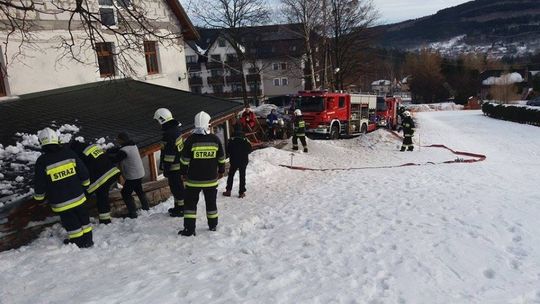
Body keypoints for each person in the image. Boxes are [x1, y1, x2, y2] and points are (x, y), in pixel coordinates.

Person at [33, 127, 94, 248]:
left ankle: (78, 243)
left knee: (71, 222)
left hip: (61, 202)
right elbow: (83, 172)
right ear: (57, 140)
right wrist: (86, 185)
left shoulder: (42, 161)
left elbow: (39, 183)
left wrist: (39, 198)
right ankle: (88, 240)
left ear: (42, 143)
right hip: (79, 196)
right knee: (84, 219)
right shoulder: (69, 153)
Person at [178, 111, 226, 236]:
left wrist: (183, 173)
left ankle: (189, 229)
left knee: (190, 205)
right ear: (208, 124)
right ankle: (213, 225)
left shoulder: (190, 140)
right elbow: (221, 158)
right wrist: (221, 171)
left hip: (193, 181)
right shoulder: (215, 139)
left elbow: (184, 161)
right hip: (211, 180)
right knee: (211, 203)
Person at [71, 140, 121, 224]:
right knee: (102, 196)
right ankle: (105, 220)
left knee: (82, 197)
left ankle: (79, 220)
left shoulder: (77, 153)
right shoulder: (89, 146)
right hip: (112, 172)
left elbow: (81, 170)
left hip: (100, 176)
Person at [109, 132, 150, 218]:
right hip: (139, 173)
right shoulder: (132, 145)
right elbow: (119, 149)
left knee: (125, 193)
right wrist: (109, 151)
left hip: (133, 176)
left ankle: (132, 213)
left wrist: (104, 156)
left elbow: (116, 159)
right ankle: (146, 208)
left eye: (118, 139)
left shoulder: (124, 151)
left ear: (121, 140)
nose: (117, 140)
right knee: (139, 190)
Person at [153, 108, 185, 217]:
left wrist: (166, 168)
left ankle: (181, 208)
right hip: (178, 165)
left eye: (158, 121)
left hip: (173, 167)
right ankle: (178, 207)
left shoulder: (169, 134)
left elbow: (169, 154)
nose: (157, 124)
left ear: (162, 120)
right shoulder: (176, 130)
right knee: (177, 188)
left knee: (177, 188)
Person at [223, 126, 252, 198]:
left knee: (231, 175)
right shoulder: (245, 140)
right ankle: (241, 192)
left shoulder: (231, 140)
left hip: (234, 161)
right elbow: (249, 150)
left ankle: (228, 191)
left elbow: (228, 150)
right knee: (242, 176)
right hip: (243, 161)